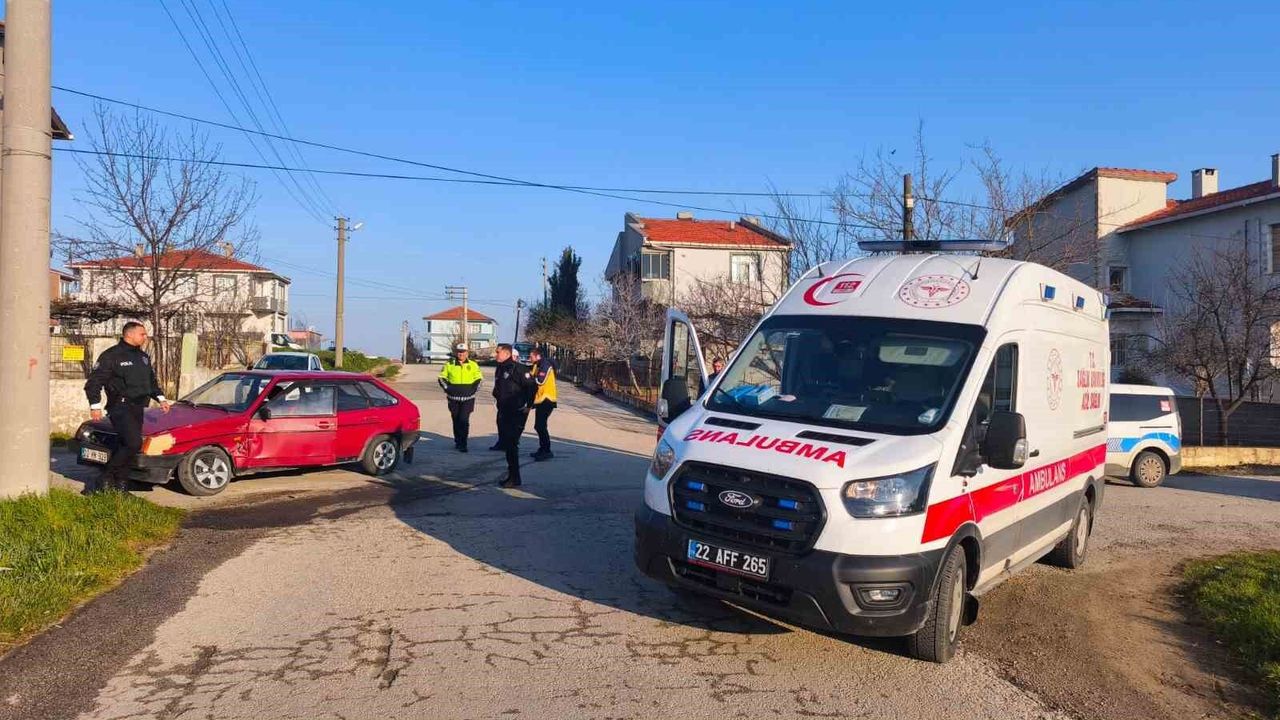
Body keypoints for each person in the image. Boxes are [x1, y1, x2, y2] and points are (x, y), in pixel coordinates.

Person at [83, 321, 171, 494]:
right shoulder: (112, 355)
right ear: (129, 334)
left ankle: (121, 485)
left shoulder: (143, 357)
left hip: (138, 407)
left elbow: (151, 381)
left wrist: (161, 398)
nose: (145, 337)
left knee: (127, 445)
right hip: (120, 406)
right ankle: (105, 477)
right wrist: (95, 405)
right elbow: (94, 383)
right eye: (142, 334)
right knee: (133, 443)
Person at [492, 343, 535, 488]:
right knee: (507, 444)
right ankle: (512, 475)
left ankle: (514, 477)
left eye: (498, 352)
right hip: (504, 410)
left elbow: (532, 387)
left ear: (506, 354)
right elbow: (499, 388)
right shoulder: (500, 368)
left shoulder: (519, 369)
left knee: (512, 444)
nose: (496, 354)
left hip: (516, 412)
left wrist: (528, 406)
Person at [439, 343, 483, 452]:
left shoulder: (473, 365)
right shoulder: (449, 364)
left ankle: (463, 443)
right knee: (456, 420)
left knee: (464, 419)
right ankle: (458, 441)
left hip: (468, 399)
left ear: (467, 353)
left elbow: (479, 380)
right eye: (459, 352)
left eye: (463, 352)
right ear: (456, 352)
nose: (461, 354)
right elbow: (441, 378)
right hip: (453, 399)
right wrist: (448, 389)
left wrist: (472, 390)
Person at [527, 346, 558, 461]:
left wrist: (529, 378)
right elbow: (531, 375)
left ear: (537, 356)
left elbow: (540, 381)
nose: (529, 358)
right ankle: (542, 448)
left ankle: (547, 450)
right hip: (540, 399)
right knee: (539, 426)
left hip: (547, 399)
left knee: (540, 425)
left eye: (531, 356)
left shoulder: (545, 365)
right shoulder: (537, 365)